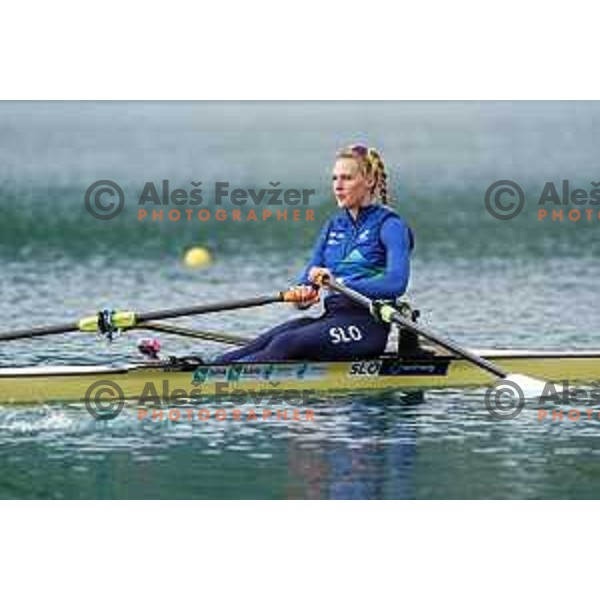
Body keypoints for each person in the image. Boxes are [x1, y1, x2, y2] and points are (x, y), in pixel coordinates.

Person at [216, 144, 414, 363]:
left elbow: (396, 283)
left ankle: (222, 383)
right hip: (332, 319)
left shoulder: (391, 226)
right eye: (334, 179)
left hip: (367, 327)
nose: (338, 186)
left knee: (286, 343)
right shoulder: (333, 226)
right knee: (269, 339)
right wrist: (302, 295)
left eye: (347, 178)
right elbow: (309, 281)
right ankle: (208, 370)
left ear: (369, 181)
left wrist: (340, 283)